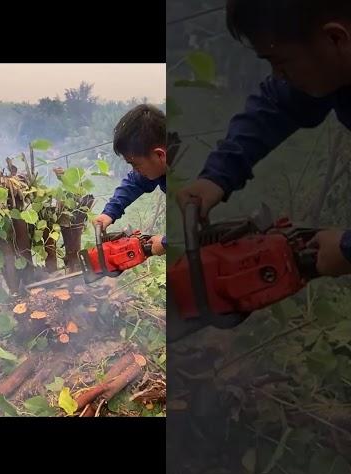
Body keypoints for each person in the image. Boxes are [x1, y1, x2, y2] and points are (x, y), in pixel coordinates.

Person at [176, 0, 351, 276]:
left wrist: (347, 249)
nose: (279, 75)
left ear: (335, 38)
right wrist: (217, 175)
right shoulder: (331, 62)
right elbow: (278, 104)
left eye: (281, 63)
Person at [93, 104, 167, 255]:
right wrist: (109, 212)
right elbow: (135, 182)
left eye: (136, 164)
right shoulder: (157, 166)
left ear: (159, 155)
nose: (135, 171)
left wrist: (166, 242)